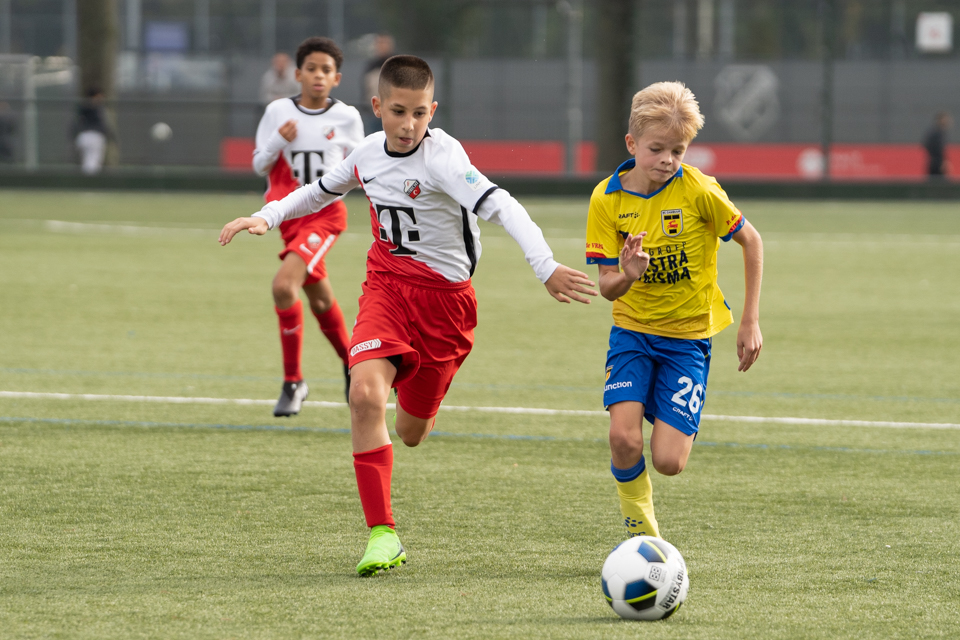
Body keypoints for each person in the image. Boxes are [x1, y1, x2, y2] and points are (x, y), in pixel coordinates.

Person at [220, 55, 597, 575]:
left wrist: (545, 266)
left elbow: (504, 206)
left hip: (446, 306)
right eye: (398, 112)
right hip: (387, 288)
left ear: (432, 111)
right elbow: (319, 191)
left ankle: (410, 386)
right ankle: (383, 534)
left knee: (411, 432)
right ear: (377, 107)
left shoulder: (445, 159)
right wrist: (267, 215)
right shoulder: (367, 154)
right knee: (363, 395)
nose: (409, 124)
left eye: (420, 113)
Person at [585, 81, 763, 540]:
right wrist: (628, 274)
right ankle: (641, 532)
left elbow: (752, 241)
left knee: (668, 461)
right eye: (657, 149)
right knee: (623, 438)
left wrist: (749, 321)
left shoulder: (699, 190)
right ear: (632, 144)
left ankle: (661, 404)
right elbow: (607, 288)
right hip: (632, 332)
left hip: (687, 339)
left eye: (678, 151)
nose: (667, 160)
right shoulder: (606, 199)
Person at [253, 37, 364, 416]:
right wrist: (276, 142)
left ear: (337, 78)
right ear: (298, 74)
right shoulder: (278, 112)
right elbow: (259, 164)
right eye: (312, 69)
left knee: (284, 286)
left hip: (325, 217)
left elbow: (362, 168)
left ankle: (293, 382)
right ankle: (352, 363)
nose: (319, 76)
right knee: (319, 299)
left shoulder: (346, 117)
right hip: (288, 217)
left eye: (326, 70)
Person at [72, 88, 113, 175]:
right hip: (93, 136)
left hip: (83, 136)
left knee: (88, 161)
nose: (101, 99)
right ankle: (89, 180)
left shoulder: (82, 108)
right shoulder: (95, 109)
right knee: (93, 161)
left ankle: (86, 179)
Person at [359, 34, 394, 133]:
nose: (382, 46)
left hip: (393, 112)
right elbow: (366, 87)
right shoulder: (371, 66)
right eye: (379, 43)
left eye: (384, 43)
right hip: (374, 113)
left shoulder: (397, 64)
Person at [923, 111, 952, 179]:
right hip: (938, 163)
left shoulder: (932, 132)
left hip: (932, 161)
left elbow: (926, 145)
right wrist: (943, 161)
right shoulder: (939, 134)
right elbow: (940, 148)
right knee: (939, 182)